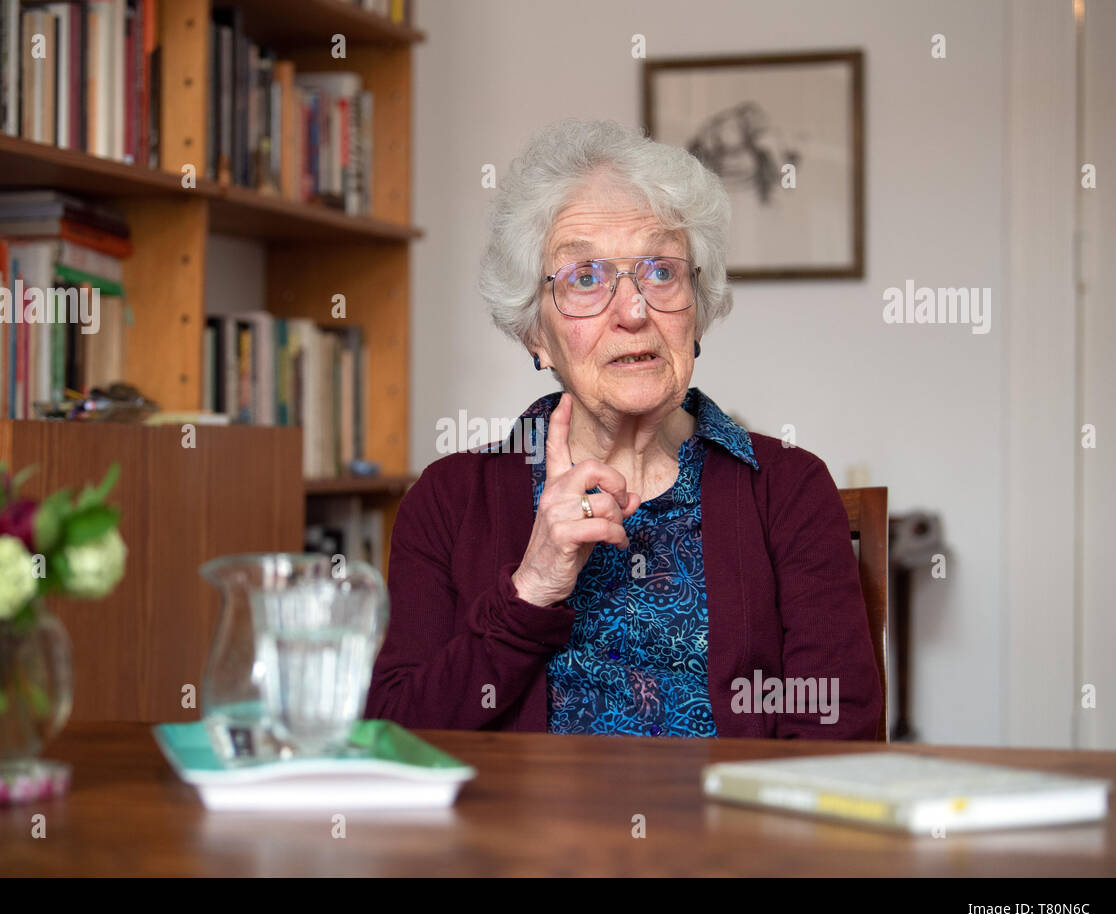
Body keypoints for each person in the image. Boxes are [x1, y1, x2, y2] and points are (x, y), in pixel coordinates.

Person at [364, 119, 882, 738]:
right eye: (585, 278)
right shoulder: (449, 501)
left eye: (661, 271)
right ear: (536, 332)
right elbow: (395, 735)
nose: (634, 311)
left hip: (724, 832)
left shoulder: (788, 488)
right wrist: (531, 587)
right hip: (514, 835)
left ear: (698, 308)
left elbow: (836, 731)